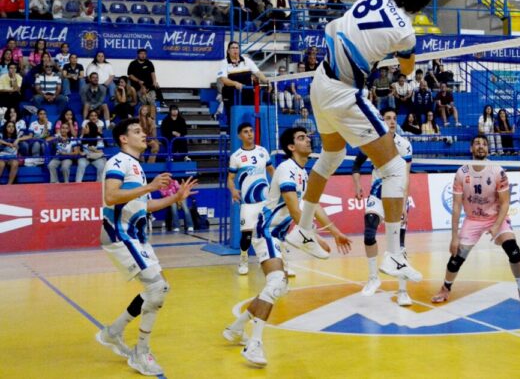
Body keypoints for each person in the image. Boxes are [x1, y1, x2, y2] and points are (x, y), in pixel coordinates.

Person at [284, 0, 469, 284]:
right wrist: (410, 74)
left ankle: (303, 229)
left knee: (331, 157)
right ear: (423, 6)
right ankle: (395, 255)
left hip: (320, 80)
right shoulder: (405, 33)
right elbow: (407, 66)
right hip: (343, 93)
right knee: (395, 167)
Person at [222, 126, 351, 367]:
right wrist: (310, 234)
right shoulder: (285, 169)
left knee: (278, 288)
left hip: (278, 234)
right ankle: (254, 345)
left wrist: (334, 231)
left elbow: (313, 205)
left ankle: (236, 328)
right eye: (301, 138)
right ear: (291, 147)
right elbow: (293, 208)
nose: (308, 140)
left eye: (307, 137)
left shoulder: (304, 172)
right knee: (277, 282)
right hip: (266, 230)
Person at [96, 117, 197, 376]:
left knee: (158, 289)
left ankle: (114, 332)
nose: (145, 135)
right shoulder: (117, 162)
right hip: (120, 234)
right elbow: (110, 196)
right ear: (123, 138)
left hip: (137, 237)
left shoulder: (136, 167)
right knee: (157, 288)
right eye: (137, 131)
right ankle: (141, 353)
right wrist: (151, 186)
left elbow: (145, 205)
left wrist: (176, 197)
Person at [431, 135, 520, 305]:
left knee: (514, 250)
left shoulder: (497, 171)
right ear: (471, 149)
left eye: (484, 144)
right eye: (477, 143)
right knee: (457, 257)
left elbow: (505, 203)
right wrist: (454, 237)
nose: (481, 146)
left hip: (495, 216)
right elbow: (456, 207)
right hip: (473, 219)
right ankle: (445, 288)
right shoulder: (462, 173)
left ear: (488, 149)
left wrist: (497, 225)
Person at [358, 108, 414, 305]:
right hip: (377, 192)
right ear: (381, 121)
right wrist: (357, 182)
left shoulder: (404, 145)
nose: (391, 121)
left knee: (398, 245)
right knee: (368, 232)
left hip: (396, 196)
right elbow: (357, 163)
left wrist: (404, 204)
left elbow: (406, 177)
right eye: (387, 118)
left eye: (393, 118)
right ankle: (373, 278)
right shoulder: (373, 141)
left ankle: (402, 291)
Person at [227, 122, 275, 275]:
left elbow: (271, 170)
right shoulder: (236, 157)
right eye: (245, 132)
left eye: (251, 131)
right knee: (247, 235)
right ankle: (243, 259)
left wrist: (278, 185)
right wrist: (233, 189)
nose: (249, 134)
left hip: (265, 200)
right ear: (239, 136)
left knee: (271, 232)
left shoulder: (262, 151)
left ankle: (279, 262)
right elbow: (230, 178)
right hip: (247, 203)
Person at [217, 41, 268, 123]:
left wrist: (266, 80)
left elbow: (258, 73)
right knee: (233, 119)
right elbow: (224, 79)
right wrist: (235, 83)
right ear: (228, 51)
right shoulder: (224, 63)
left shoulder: (247, 61)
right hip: (231, 95)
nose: (235, 50)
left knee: (249, 118)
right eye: (233, 48)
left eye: (237, 48)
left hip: (247, 94)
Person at [128, 48, 164, 120]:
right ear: (138, 55)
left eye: (144, 54)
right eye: (141, 54)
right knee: (144, 101)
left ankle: (152, 119)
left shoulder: (149, 63)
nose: (143, 55)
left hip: (150, 87)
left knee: (152, 101)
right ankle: (144, 119)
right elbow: (130, 75)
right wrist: (139, 81)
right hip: (138, 87)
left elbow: (153, 74)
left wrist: (154, 82)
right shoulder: (133, 64)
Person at [0, 120, 21, 185]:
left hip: (12, 157)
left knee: (15, 163)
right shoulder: (1, 135)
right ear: (5, 128)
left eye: (12, 126)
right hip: (2, 157)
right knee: (1, 164)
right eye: (9, 126)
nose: (11, 128)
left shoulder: (17, 136)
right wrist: (8, 143)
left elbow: (30, 136)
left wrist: (18, 139)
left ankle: (9, 185)